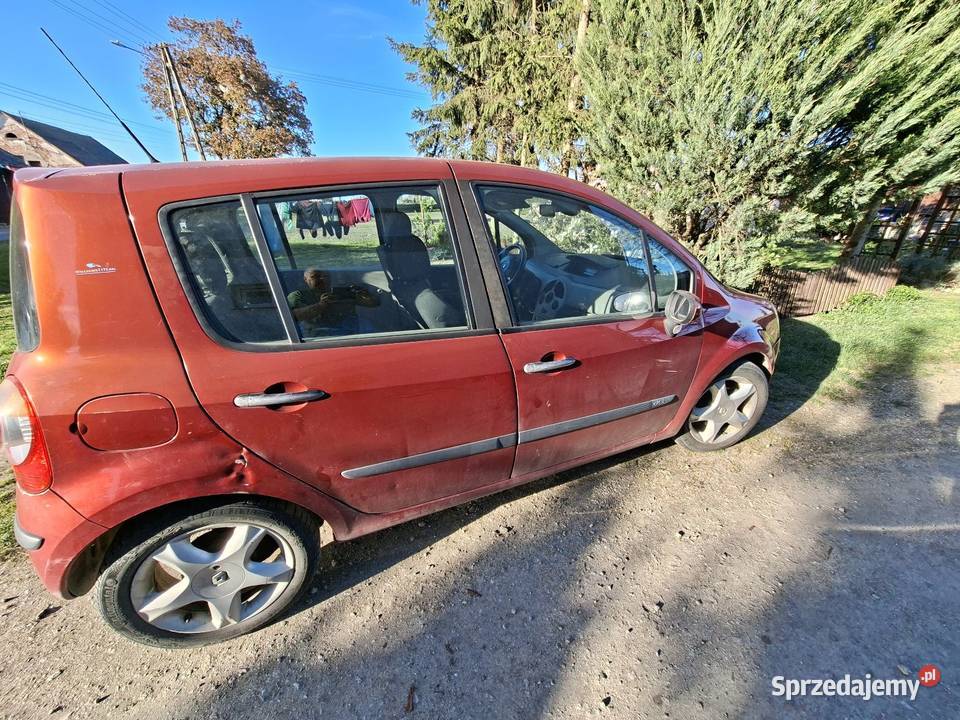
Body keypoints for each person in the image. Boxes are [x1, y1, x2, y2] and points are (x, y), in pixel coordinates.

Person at [287, 267, 378, 337]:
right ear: (305, 279)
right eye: (315, 276)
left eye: (325, 276)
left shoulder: (341, 293)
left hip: (349, 335)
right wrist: (321, 305)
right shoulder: (298, 295)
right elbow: (292, 317)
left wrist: (365, 295)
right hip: (315, 338)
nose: (322, 279)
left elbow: (373, 304)